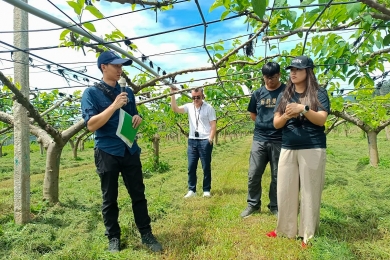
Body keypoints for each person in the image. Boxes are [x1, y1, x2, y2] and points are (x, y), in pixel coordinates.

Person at [81, 51, 162, 253]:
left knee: (138, 194)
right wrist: (114, 105)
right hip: (107, 151)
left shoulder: (128, 93)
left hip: (129, 149)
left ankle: (146, 233)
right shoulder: (91, 93)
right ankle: (113, 238)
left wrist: (138, 118)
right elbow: (91, 125)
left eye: (121, 66)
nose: (120, 70)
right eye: (115, 66)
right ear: (103, 67)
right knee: (110, 198)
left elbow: (133, 114)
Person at [267, 56, 330, 247]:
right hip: (288, 147)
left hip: (312, 147)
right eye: (291, 69)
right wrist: (287, 114)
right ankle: (285, 230)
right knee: (285, 189)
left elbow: (321, 120)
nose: (293, 72)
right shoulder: (284, 95)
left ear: (308, 71)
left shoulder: (319, 93)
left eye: (298, 69)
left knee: (310, 192)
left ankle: (307, 234)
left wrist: (303, 109)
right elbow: (276, 124)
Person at [240, 62, 286, 218]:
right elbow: (253, 114)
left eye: (272, 77)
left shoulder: (286, 91)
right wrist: (264, 124)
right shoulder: (258, 93)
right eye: (266, 77)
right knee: (254, 173)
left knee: (277, 175)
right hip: (260, 138)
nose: (269, 81)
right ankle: (253, 204)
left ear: (279, 75)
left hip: (279, 139)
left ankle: (275, 205)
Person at [170, 87, 217, 198]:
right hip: (192, 141)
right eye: (194, 97)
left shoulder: (209, 108)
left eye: (198, 97)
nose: (196, 99)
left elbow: (213, 125)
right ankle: (192, 190)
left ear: (202, 96)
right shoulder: (189, 106)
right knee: (191, 167)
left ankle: (206, 190)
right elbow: (175, 109)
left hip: (205, 140)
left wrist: (210, 139)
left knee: (206, 167)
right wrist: (172, 95)